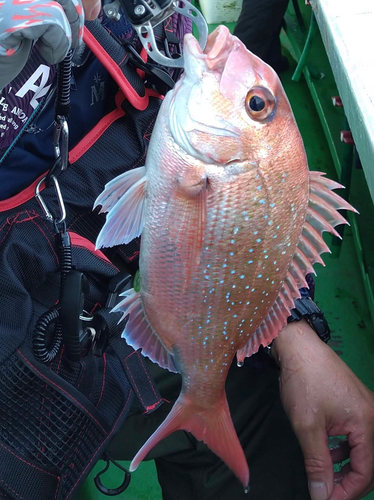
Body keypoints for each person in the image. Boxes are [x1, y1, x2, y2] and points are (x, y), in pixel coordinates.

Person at [1, 2, 373, 500]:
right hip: (24, 344)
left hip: (115, 297)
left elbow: (264, 210)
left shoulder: (146, 29)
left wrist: (296, 330)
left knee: (268, 419)